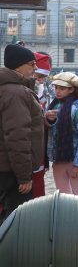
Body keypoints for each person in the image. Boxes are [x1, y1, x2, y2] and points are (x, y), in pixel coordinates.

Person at [0, 44, 44, 223]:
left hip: (6, 168)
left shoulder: (8, 90)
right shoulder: (16, 93)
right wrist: (24, 177)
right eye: (31, 64)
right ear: (18, 66)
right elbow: (17, 137)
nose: (35, 68)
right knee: (15, 222)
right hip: (11, 171)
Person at [45, 72, 78, 199]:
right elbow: (51, 132)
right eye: (56, 87)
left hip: (73, 159)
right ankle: (68, 218)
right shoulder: (54, 105)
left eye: (62, 88)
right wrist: (48, 119)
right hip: (58, 159)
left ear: (71, 89)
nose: (57, 91)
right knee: (63, 196)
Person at [31, 52, 55, 198]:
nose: (40, 80)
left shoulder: (43, 89)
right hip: (31, 145)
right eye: (39, 77)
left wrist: (47, 118)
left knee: (38, 181)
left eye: (43, 77)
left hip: (39, 143)